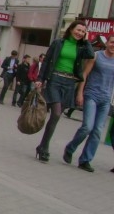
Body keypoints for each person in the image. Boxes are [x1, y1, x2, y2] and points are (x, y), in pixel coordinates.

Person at [34, 20, 95, 162]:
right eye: (78, 30)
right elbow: (48, 60)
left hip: (69, 83)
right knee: (55, 113)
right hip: (55, 79)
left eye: (82, 31)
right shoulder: (58, 43)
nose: (79, 33)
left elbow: (91, 55)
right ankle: (45, 147)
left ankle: (42, 146)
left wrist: (86, 41)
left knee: (56, 117)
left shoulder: (81, 47)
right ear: (71, 29)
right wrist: (40, 79)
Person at [62, 35, 114, 172]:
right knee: (87, 127)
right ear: (107, 43)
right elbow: (84, 74)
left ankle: (85, 160)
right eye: (112, 42)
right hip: (91, 95)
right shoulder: (96, 56)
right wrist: (80, 93)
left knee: (97, 131)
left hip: (106, 99)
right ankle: (70, 148)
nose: (113, 45)